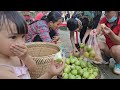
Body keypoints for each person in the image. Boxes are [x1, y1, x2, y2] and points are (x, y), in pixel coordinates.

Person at [0, 11, 65, 79]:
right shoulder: (2, 72)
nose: (22, 43)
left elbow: (33, 69)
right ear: (51, 23)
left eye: (23, 36)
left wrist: (50, 73)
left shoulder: (17, 55)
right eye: (13, 37)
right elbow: (48, 42)